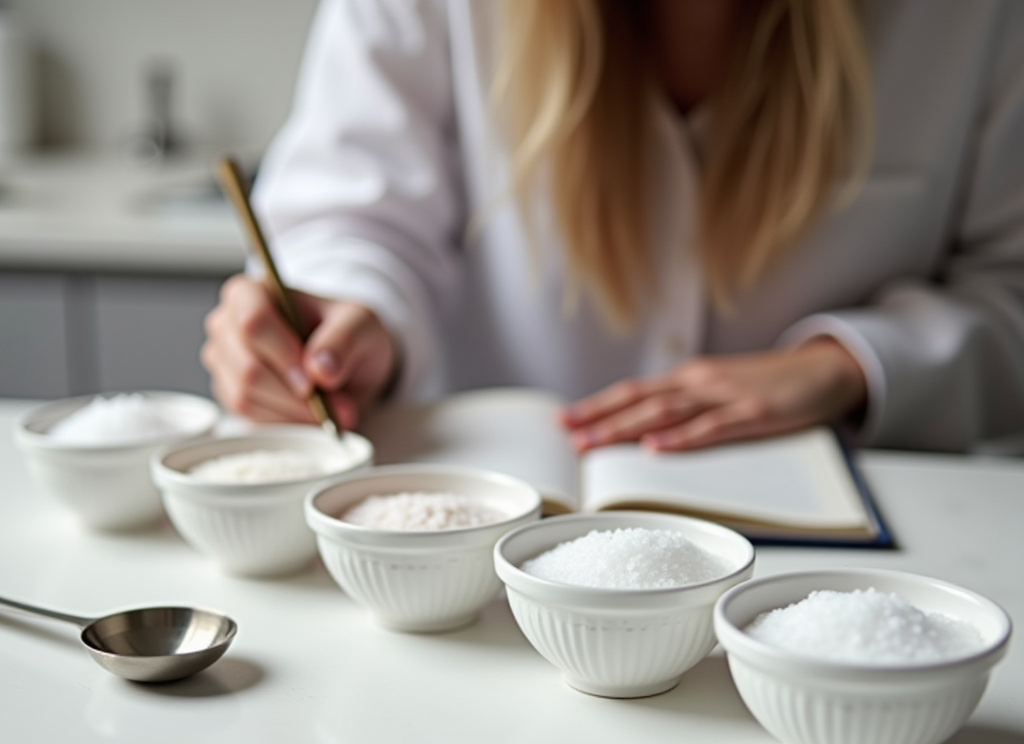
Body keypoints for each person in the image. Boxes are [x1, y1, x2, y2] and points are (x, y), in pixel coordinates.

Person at [202, 0, 1024, 454]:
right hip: (491, 530)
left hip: (867, 536)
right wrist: (346, 316)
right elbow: (356, 216)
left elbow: (1010, 284)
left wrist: (846, 366)